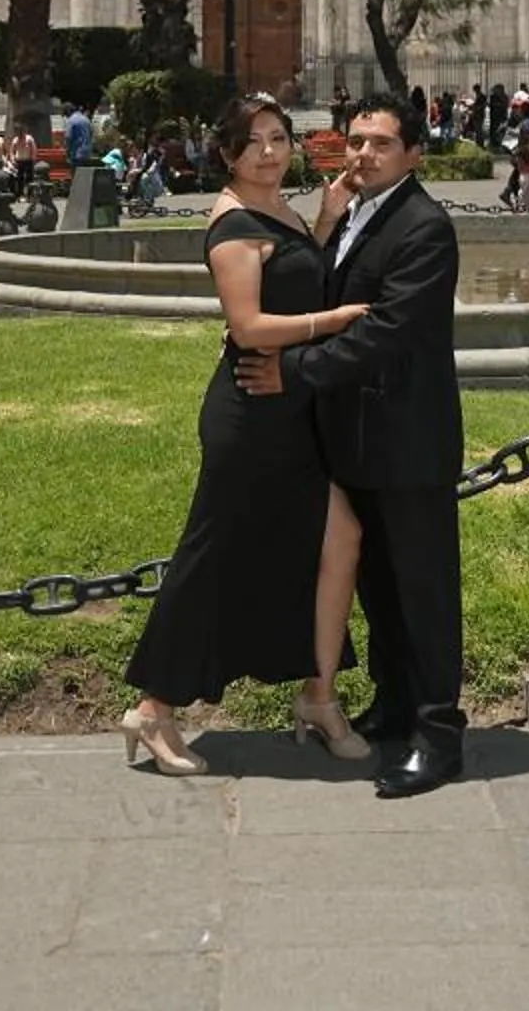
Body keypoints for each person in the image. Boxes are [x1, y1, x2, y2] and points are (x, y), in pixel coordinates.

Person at [120, 96, 373, 776]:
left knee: (339, 537)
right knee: (214, 554)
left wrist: (323, 219)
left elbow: (297, 279)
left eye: (279, 137)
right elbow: (249, 327)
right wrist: (340, 319)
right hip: (249, 411)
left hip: (287, 404)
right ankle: (153, 708)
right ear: (227, 154)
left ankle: (319, 695)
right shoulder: (232, 224)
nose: (270, 150)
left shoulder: (279, 210)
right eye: (254, 141)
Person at [235, 93, 468, 798]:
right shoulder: (359, 212)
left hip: (407, 437)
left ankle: (438, 733)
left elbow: (386, 330)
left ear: (415, 155)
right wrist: (327, 220)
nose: (363, 154)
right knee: (382, 586)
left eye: (381, 144)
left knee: (423, 590)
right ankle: (397, 704)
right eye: (356, 141)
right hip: (358, 437)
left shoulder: (424, 227)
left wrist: (291, 372)